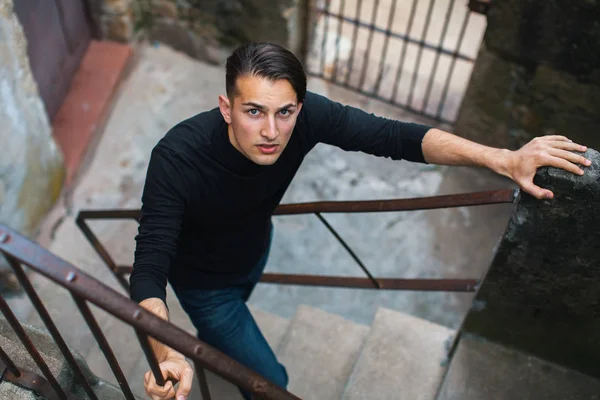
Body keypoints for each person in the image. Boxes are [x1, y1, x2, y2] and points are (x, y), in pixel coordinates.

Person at [130, 42, 591, 400]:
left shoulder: (307, 119)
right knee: (272, 381)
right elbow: (149, 269)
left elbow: (395, 137)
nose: (271, 131)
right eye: (254, 111)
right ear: (227, 108)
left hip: (253, 248)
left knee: (231, 336)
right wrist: (166, 352)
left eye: (284, 112)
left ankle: (216, 350)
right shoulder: (177, 158)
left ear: (299, 108)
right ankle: (209, 350)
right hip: (206, 287)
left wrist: (504, 159)